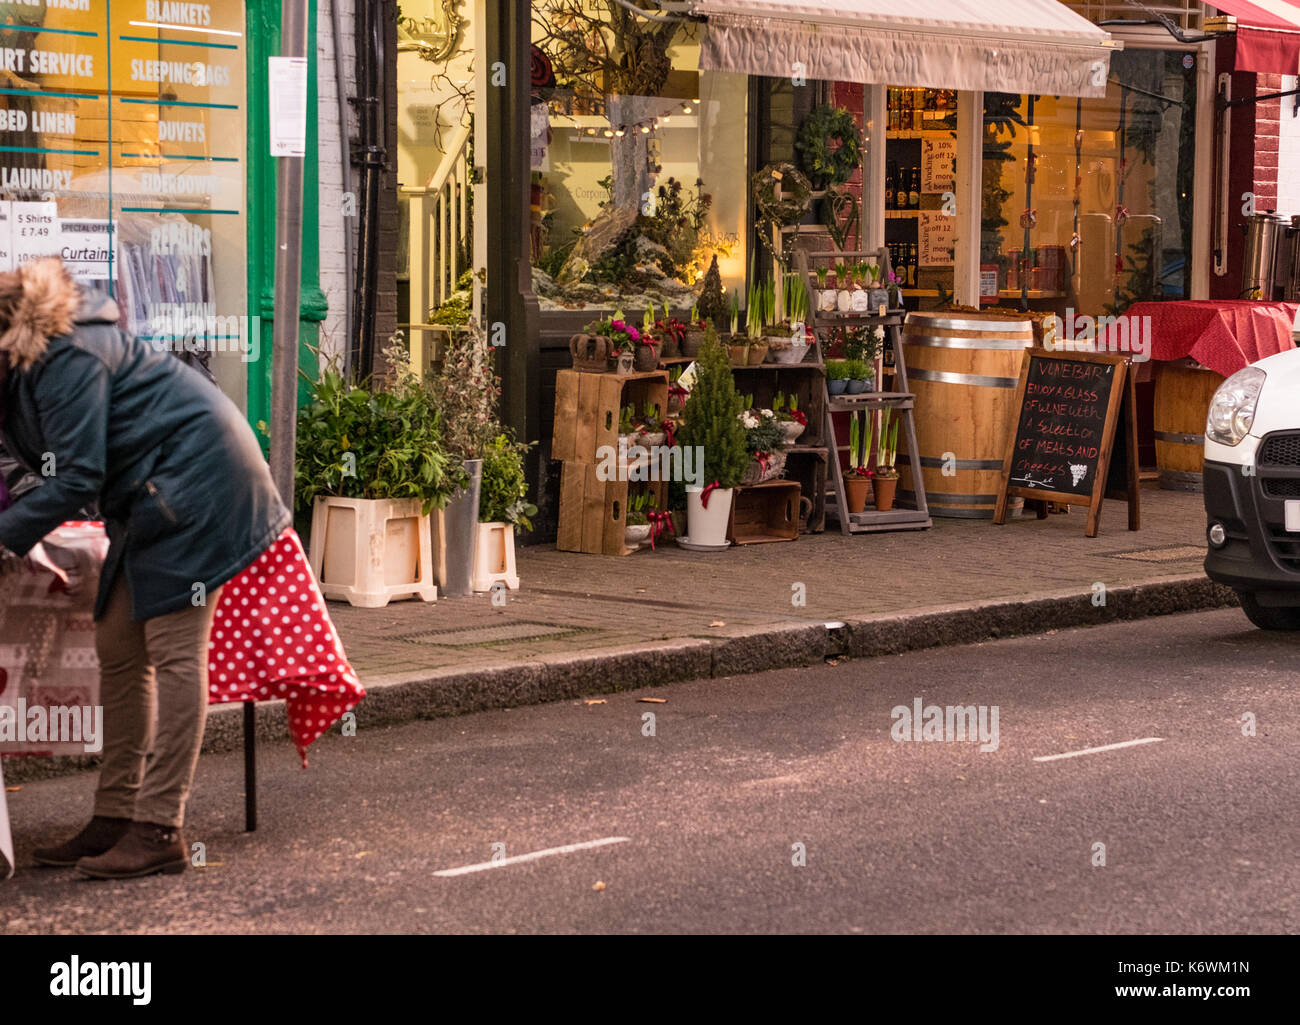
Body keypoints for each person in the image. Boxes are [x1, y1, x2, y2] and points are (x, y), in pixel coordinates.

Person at [0, 257, 289, 879]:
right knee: (118, 644)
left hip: (201, 485)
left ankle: (160, 827)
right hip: (152, 493)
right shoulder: (27, 364)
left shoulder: (69, 355)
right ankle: (114, 815)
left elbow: (76, 473)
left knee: (175, 648)